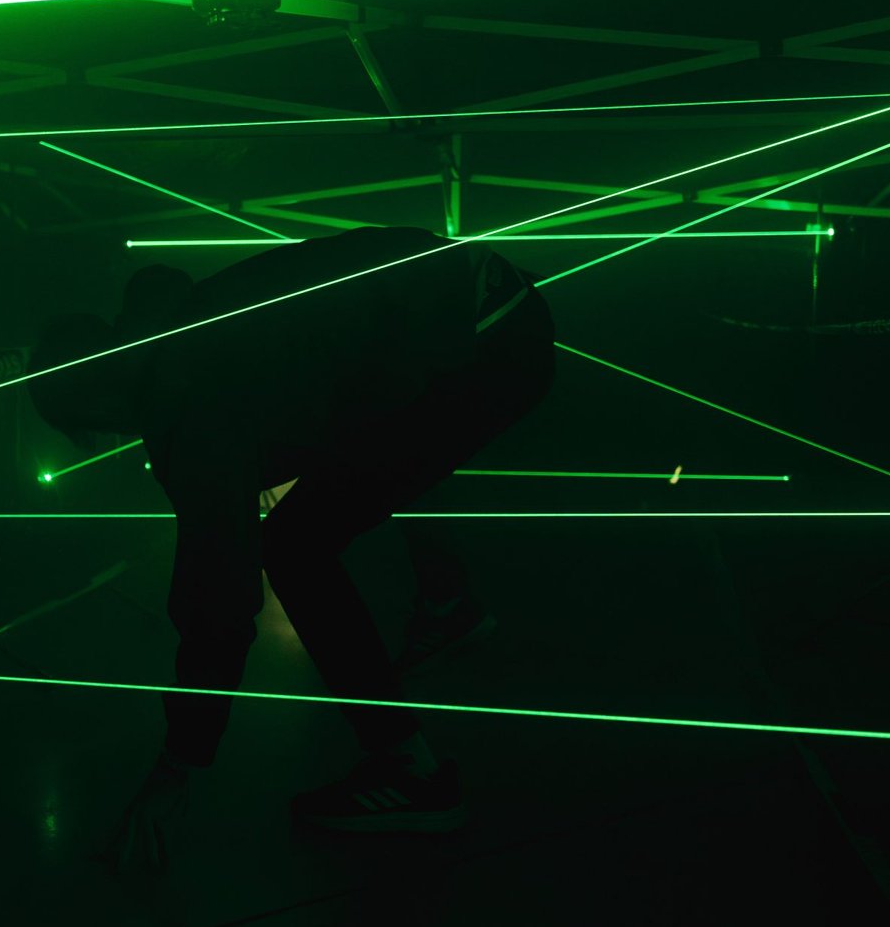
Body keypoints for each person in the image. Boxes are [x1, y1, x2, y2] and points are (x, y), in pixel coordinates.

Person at [28, 227, 554, 872]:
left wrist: (179, 763)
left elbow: (218, 606)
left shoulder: (190, 419)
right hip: (486, 301)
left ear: (95, 413)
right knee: (342, 479)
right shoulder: (176, 330)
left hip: (481, 338)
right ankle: (449, 608)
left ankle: (412, 774)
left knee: (295, 547)